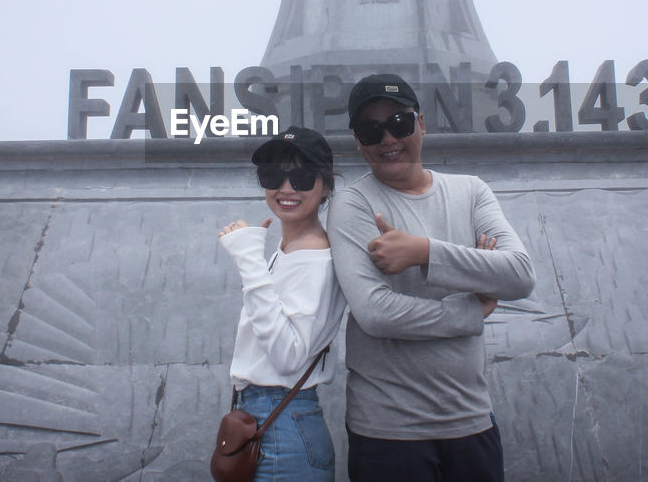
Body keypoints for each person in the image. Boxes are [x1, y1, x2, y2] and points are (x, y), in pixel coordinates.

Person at [326, 73, 536, 482]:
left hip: (471, 419)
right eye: (371, 130)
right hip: (388, 431)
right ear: (358, 141)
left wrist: (424, 252)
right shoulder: (353, 204)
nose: (388, 139)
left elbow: (519, 274)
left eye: (400, 124)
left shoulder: (471, 191)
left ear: (421, 123)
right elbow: (376, 313)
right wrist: (471, 308)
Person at [217, 126, 347, 481]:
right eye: (273, 175)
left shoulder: (313, 256)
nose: (286, 188)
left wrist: (249, 261)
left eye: (303, 177)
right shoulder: (292, 249)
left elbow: (288, 356)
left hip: (281, 425)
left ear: (326, 186)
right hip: (272, 420)